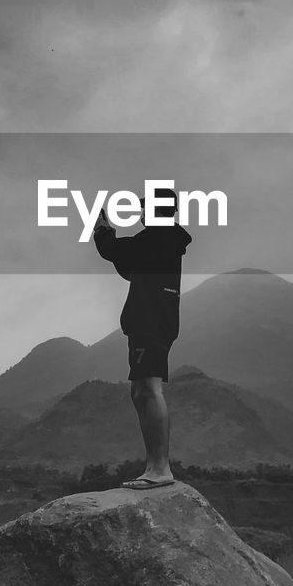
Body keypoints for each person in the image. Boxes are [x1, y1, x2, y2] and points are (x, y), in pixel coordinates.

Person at [93, 188, 192, 489]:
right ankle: (154, 465)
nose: (139, 211)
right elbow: (129, 265)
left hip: (151, 321)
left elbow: (115, 251)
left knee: (148, 389)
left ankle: (160, 468)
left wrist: (101, 230)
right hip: (151, 320)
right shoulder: (163, 240)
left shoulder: (158, 236)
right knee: (140, 392)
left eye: (143, 206)